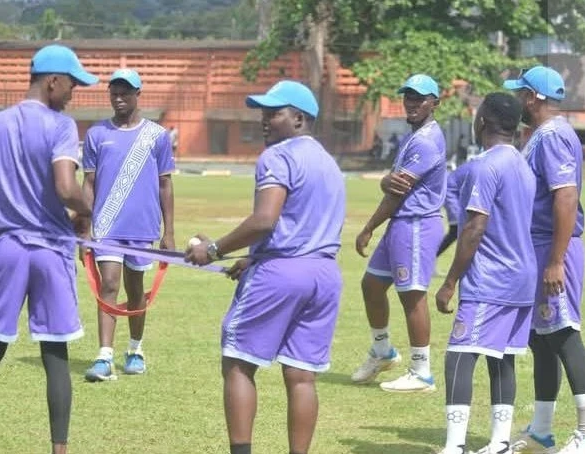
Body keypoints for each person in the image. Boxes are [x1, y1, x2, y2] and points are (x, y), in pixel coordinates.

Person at [0, 44, 98, 454]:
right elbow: (67, 188)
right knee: (55, 352)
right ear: (53, 81)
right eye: (71, 85)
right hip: (51, 251)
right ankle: (59, 450)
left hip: (9, 247)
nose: (73, 94)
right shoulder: (61, 126)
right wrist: (89, 211)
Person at [185, 80, 345, 454]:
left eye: (274, 113)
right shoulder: (329, 162)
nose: (264, 120)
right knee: (302, 375)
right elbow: (299, 224)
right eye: (263, 112)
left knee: (238, 362)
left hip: (282, 275)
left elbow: (264, 220)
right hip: (323, 277)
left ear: (299, 119)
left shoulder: (277, 157)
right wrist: (251, 257)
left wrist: (213, 248)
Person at [504, 66, 585, 454]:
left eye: (521, 94)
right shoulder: (542, 136)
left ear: (534, 98)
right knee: (541, 340)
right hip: (540, 247)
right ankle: (542, 431)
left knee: (564, 335)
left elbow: (564, 197)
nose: (517, 100)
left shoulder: (552, 136)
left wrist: (556, 260)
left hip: (552, 247)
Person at [435, 92, 536, 454]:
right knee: (502, 357)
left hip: (491, 279)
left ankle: (455, 446)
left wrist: (449, 282)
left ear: (483, 122)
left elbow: (475, 227)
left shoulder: (486, 166)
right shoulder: (523, 166)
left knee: (459, 355)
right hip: (523, 278)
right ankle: (499, 442)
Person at [352, 74, 446, 393]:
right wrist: (384, 181)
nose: (411, 103)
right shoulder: (414, 134)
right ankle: (382, 352)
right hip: (401, 223)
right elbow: (391, 183)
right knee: (372, 285)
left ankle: (421, 372)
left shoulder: (425, 140)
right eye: (408, 96)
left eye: (419, 98)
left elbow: (397, 190)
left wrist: (368, 228)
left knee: (412, 295)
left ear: (435, 103)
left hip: (417, 223)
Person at [81, 68, 175, 382]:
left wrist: (169, 232)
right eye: (114, 93)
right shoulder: (96, 135)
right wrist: (85, 226)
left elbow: (165, 184)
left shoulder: (157, 136)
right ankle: (104, 356)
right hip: (107, 225)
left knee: (135, 290)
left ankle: (135, 350)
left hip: (143, 227)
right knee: (108, 285)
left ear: (138, 94)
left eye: (125, 92)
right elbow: (89, 183)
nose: (119, 98)